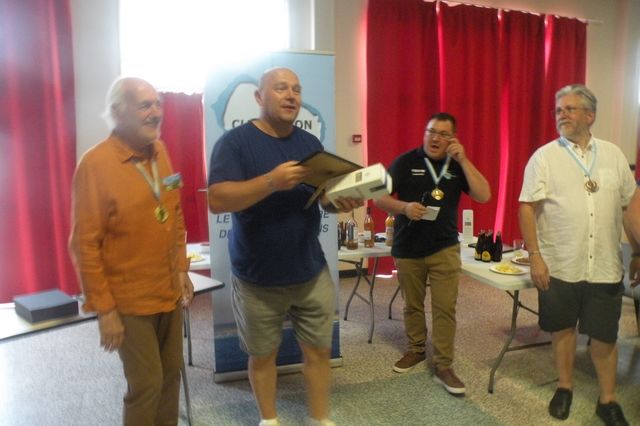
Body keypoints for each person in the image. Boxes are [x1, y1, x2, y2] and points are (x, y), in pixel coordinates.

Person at [207, 67, 362, 426]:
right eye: (280, 88)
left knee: (319, 351)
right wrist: (271, 181)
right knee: (263, 356)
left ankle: (319, 419)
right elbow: (217, 199)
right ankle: (270, 420)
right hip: (257, 276)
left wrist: (338, 201)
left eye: (296, 89)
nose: (291, 95)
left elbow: (321, 198)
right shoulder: (234, 143)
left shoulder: (309, 145)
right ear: (259, 97)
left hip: (310, 270)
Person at [69, 77, 194, 426]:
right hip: (129, 302)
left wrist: (181, 268)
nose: (155, 112)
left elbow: (174, 211)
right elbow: (84, 245)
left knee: (171, 374)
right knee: (147, 384)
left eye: (158, 104)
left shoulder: (161, 151)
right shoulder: (95, 164)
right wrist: (105, 310)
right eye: (144, 105)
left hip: (167, 292)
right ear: (118, 112)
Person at [518, 84, 634, 426]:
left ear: (590, 115)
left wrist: (639, 251)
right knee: (563, 330)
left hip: (605, 266)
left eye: (569, 109)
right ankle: (565, 387)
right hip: (561, 264)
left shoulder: (613, 155)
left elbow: (629, 206)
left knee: (605, 336)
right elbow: (526, 207)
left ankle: (607, 400)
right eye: (558, 110)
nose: (561, 115)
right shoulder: (544, 157)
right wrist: (535, 255)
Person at [375, 112, 491, 395]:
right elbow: (378, 198)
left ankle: (443, 365)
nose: (435, 138)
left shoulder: (456, 166)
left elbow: (484, 195)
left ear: (452, 139)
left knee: (444, 308)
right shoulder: (405, 162)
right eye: (431, 132)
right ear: (424, 133)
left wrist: (464, 160)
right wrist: (404, 208)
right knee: (412, 305)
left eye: (443, 134)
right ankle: (416, 349)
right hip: (408, 247)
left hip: (444, 247)